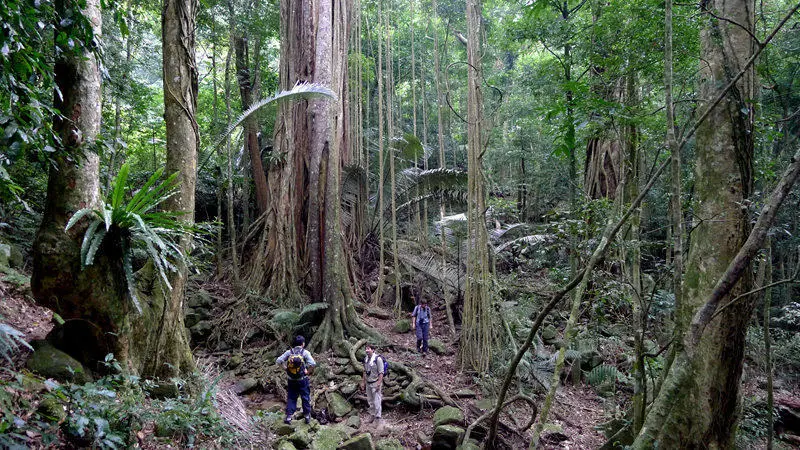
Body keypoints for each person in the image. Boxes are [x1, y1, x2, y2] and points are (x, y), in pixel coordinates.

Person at [276, 335, 316, 424]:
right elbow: (313, 364)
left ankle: (289, 417)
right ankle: (306, 416)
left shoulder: (289, 352)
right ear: (303, 344)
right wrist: (307, 372)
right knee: (305, 397)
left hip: (291, 380)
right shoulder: (305, 353)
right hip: (302, 379)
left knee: (291, 397)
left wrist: (285, 368)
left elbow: (278, 361)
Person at [360, 343, 385, 423]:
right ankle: (372, 415)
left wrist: (378, 383)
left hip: (375, 382)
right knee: (370, 400)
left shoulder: (378, 359)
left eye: (368, 348)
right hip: (368, 383)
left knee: (377, 401)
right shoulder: (366, 359)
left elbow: (381, 372)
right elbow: (364, 371)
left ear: (373, 350)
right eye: (366, 349)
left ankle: (378, 418)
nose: (367, 350)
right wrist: (363, 382)